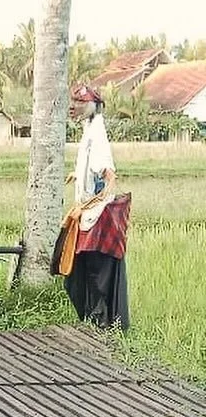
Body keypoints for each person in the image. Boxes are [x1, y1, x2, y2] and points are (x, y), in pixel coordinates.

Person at [56, 84, 130, 329]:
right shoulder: (89, 129)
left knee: (96, 269)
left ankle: (101, 322)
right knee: (84, 266)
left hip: (95, 214)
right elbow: (92, 168)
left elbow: (108, 172)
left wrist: (95, 198)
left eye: (79, 102)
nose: (74, 106)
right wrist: (77, 175)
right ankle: (93, 318)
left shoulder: (97, 132)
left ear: (93, 105)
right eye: (74, 101)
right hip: (88, 211)